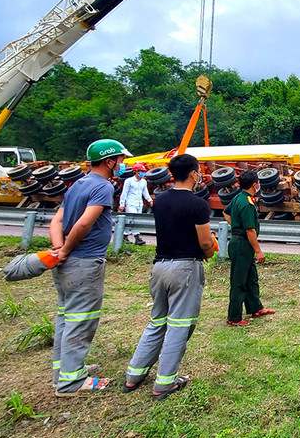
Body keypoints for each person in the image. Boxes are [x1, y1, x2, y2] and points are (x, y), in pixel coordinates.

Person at [123, 154, 215, 400]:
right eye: (198, 171)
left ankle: (134, 375)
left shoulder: (160, 200)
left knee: (157, 322)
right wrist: (209, 251)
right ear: (193, 173)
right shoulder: (197, 204)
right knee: (179, 326)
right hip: (185, 269)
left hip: (160, 267)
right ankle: (164, 383)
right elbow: (205, 242)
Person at [47, 138, 132, 396]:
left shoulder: (78, 184)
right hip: (84, 263)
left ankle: (63, 371)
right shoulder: (102, 186)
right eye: (121, 160)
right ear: (109, 161)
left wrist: (59, 249)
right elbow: (85, 223)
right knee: (81, 319)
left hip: (66, 264)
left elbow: (56, 221)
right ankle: (71, 382)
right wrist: (66, 250)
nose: (123, 164)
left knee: (66, 317)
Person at [223, 170, 275, 326]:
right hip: (242, 244)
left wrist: (235, 224)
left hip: (242, 244)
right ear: (254, 184)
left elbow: (225, 212)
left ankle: (255, 307)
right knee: (239, 281)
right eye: (257, 183)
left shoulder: (238, 198)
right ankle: (234, 317)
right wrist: (258, 251)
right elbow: (250, 230)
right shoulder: (247, 204)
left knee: (251, 278)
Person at [118, 162, 152, 245]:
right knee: (132, 220)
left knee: (135, 221)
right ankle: (137, 238)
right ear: (136, 172)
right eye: (141, 171)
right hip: (130, 203)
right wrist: (122, 204)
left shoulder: (143, 182)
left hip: (139, 203)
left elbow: (145, 192)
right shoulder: (129, 181)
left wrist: (150, 200)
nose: (143, 173)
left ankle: (125, 236)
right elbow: (124, 193)